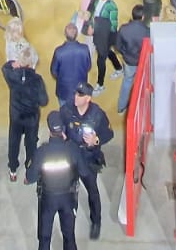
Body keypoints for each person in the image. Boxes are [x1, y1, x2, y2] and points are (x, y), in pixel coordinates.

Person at [62, 81, 114, 241]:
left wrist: (96, 140)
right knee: (70, 191)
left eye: (80, 95)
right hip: (71, 158)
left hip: (89, 159)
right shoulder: (66, 110)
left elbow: (109, 133)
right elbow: (60, 127)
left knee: (93, 192)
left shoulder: (97, 115)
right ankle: (70, 217)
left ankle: (96, 222)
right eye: (76, 93)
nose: (76, 97)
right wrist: (61, 137)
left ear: (88, 98)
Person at [29, 109, 84, 250]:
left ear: (50, 130)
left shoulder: (42, 152)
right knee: (69, 236)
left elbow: (31, 177)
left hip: (48, 198)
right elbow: (84, 171)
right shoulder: (72, 149)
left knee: (45, 236)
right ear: (63, 129)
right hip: (68, 198)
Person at [3, 42, 50, 183]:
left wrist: (13, 64)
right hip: (31, 118)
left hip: (16, 116)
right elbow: (44, 101)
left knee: (13, 142)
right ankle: (29, 173)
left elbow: (4, 67)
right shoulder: (37, 80)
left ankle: (12, 169)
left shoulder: (12, 76)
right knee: (30, 145)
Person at [50, 23, 93, 106]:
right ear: (76, 34)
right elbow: (88, 66)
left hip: (64, 91)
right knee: (79, 115)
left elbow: (54, 72)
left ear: (65, 34)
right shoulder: (84, 49)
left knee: (65, 115)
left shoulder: (59, 51)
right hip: (81, 90)